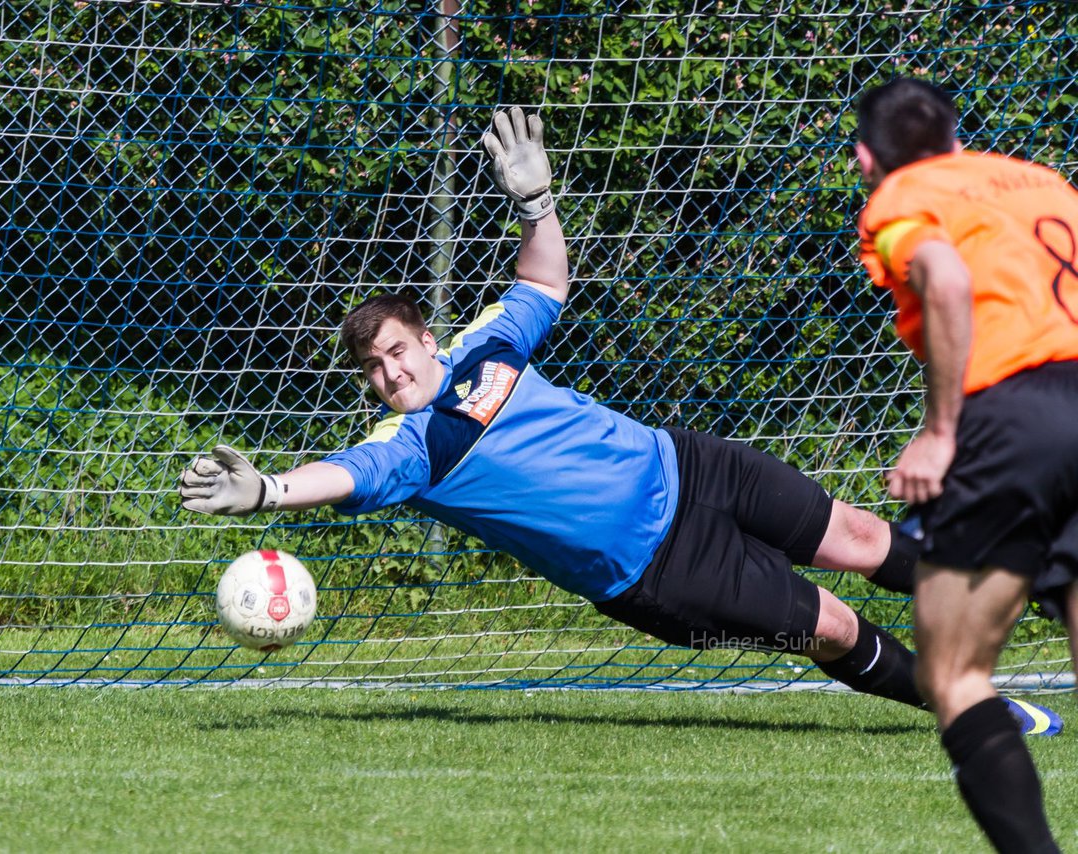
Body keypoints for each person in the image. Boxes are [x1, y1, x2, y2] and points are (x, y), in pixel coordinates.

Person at [180, 106, 1056, 734]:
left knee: (863, 536)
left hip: (690, 465)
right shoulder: (412, 448)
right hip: (658, 568)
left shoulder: (486, 349)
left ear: (429, 341)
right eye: (373, 368)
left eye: (399, 351)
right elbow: (343, 478)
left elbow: (542, 285)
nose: (390, 372)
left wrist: (536, 205)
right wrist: (267, 492)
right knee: (827, 624)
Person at [854, 77, 1076, 852]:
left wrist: (941, 432)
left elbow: (945, 278)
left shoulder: (901, 198)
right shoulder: (1043, 183)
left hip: (1016, 413)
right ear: (956, 138)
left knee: (951, 674)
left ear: (864, 159)